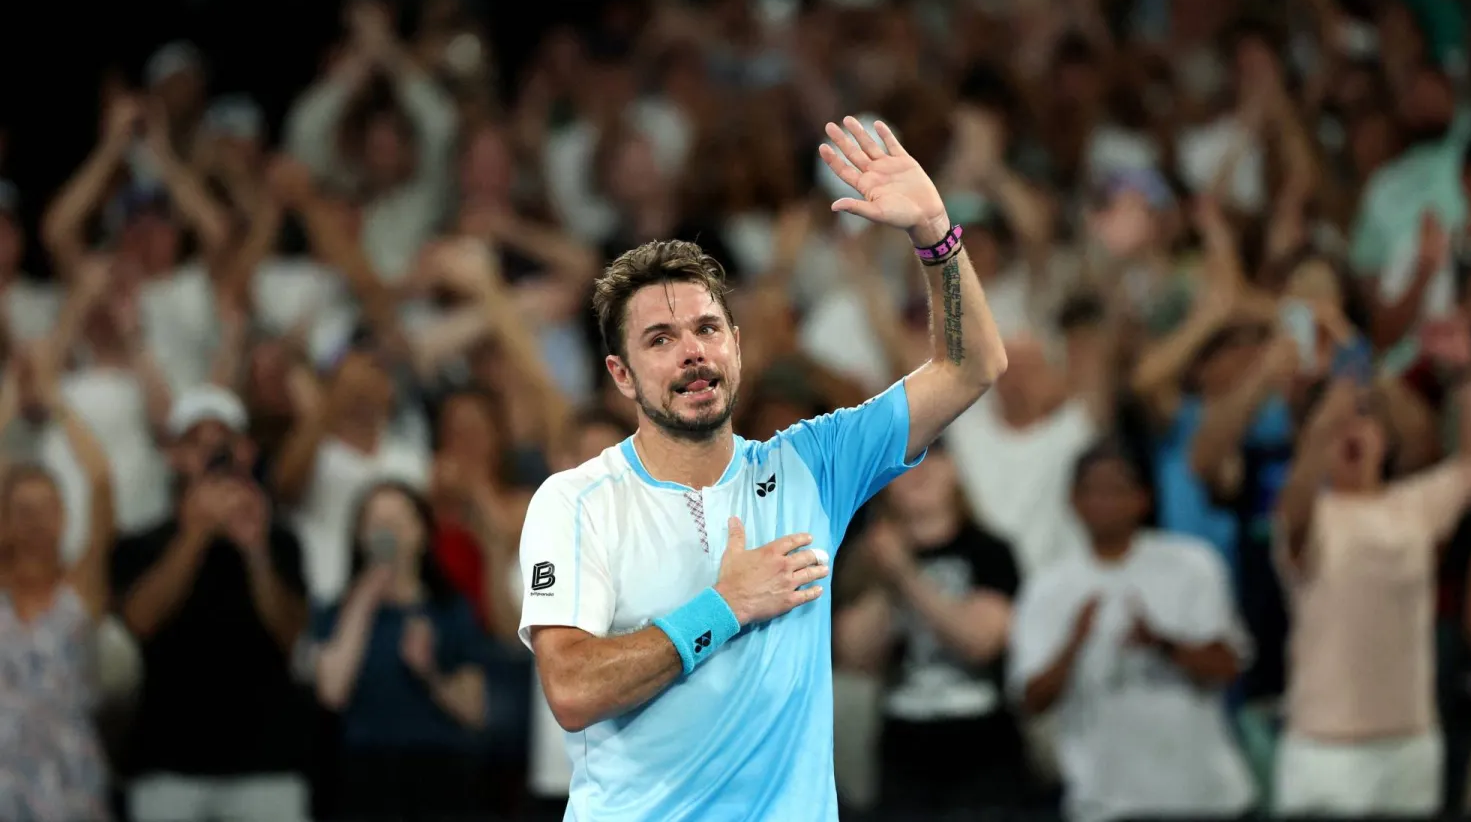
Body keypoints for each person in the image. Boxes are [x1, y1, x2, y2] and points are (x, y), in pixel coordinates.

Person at [516, 116, 1008, 820]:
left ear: (737, 349)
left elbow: (971, 367)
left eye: (707, 329)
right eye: (661, 339)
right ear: (621, 376)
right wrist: (725, 606)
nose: (692, 351)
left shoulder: (813, 463)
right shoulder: (577, 500)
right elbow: (571, 688)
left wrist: (935, 230)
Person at [1273, 318, 1471, 816]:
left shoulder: (1412, 505)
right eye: (1339, 427)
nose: (1351, 432)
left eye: (1364, 420)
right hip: (1326, 750)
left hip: (1409, 744)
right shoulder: (1307, 515)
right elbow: (1295, 507)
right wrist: (1327, 417)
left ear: (1385, 437)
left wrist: (1463, 376)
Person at [1008, 441, 1256, 822]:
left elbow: (1227, 667)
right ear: (1073, 501)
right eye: (1092, 490)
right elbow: (1031, 700)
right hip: (1104, 803)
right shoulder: (1048, 587)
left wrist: (1162, 644)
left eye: (1116, 489)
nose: (1104, 501)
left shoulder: (1192, 564)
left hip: (1204, 797)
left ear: (1142, 498)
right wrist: (1074, 642)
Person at [111, 387, 312, 822]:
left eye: (224, 443)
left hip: (267, 765)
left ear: (247, 452)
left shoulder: (280, 541)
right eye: (196, 443)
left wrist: (256, 550)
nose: (212, 453)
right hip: (167, 765)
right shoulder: (140, 544)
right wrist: (195, 535)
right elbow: (140, 621)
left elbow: (291, 633)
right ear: (174, 456)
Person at [833, 441, 1031, 813]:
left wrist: (905, 575)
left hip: (984, 748)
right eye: (904, 462)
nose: (918, 469)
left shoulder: (990, 551)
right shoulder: (867, 559)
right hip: (904, 750)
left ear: (954, 470)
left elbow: (981, 642)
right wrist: (884, 573)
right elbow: (855, 656)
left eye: (932, 454)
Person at [312, 481, 491, 822]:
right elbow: (331, 691)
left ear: (422, 533)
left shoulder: (451, 610)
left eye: (398, 521)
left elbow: (475, 711)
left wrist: (429, 673)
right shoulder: (338, 612)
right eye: (376, 523)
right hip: (362, 770)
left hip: (438, 769)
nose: (387, 531)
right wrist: (367, 594)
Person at [0, 346, 115, 822]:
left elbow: (102, 483)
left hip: (72, 777)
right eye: (22, 511)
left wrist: (57, 402)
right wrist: (9, 397)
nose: (36, 522)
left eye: (48, 509)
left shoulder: (79, 587)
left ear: (65, 517)